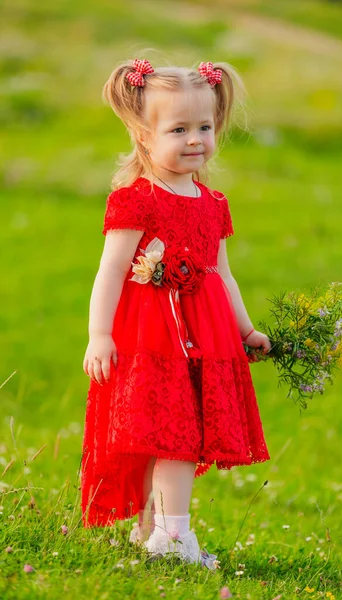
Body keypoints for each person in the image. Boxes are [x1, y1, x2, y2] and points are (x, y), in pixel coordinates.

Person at [80, 57, 271, 568]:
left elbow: (221, 273)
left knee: (175, 436)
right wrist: (100, 335)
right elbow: (111, 271)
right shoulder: (135, 200)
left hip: (204, 338)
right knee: (169, 435)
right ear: (144, 135)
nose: (195, 139)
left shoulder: (213, 203)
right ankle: (173, 538)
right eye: (179, 128)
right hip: (152, 337)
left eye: (204, 127)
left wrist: (245, 328)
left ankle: (154, 532)